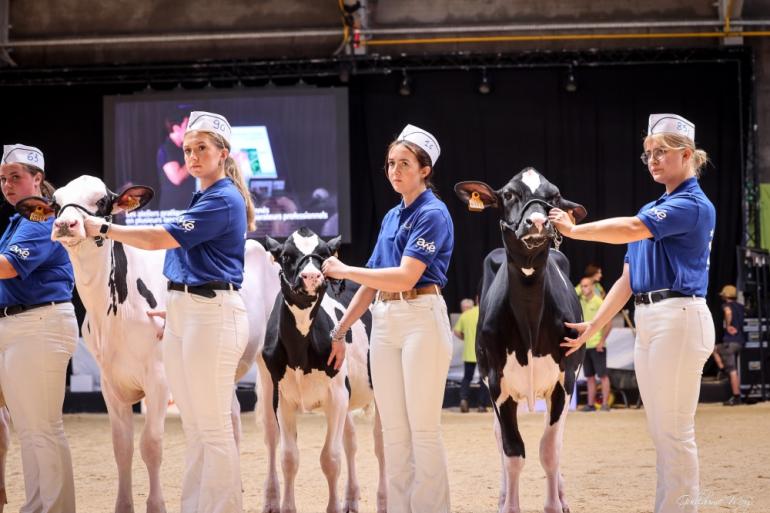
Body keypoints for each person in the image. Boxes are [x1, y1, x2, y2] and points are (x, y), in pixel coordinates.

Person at [84, 111, 255, 513]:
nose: (193, 156)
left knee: (211, 429)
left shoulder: (223, 197)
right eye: (188, 149)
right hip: (190, 312)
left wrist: (103, 227)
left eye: (202, 149)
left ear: (222, 154)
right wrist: (176, 308)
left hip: (212, 314)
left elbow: (160, 237)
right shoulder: (205, 195)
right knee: (197, 428)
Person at [549, 113, 715, 513]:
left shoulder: (690, 204)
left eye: (661, 152)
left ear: (687, 155)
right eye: (648, 154)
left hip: (679, 315)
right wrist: (594, 325)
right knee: (662, 432)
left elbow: (627, 229)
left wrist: (574, 231)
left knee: (674, 433)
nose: (653, 160)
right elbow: (627, 279)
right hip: (654, 317)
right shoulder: (655, 208)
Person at [321, 124, 453, 513]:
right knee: (392, 431)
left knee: (423, 430)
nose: (395, 170)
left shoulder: (433, 213)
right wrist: (341, 330)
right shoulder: (393, 217)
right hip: (386, 319)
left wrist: (345, 270)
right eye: (391, 163)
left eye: (405, 163)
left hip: (421, 316)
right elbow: (373, 282)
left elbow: (406, 276)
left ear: (425, 169)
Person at [0, 144, 77, 513]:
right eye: (2, 178)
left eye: (15, 176)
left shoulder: (42, 217)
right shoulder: (19, 220)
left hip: (39, 323)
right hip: (22, 324)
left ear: (38, 179)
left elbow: (8, 268)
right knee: (31, 432)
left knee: (42, 429)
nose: (7, 184)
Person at [576, 276, 612, 411]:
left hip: (597, 345)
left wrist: (602, 341)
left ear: (592, 287)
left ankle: (605, 404)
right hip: (586, 344)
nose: (584, 288)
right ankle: (590, 405)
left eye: (586, 286)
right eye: (582, 286)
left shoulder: (599, 301)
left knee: (602, 375)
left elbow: (609, 323)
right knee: (589, 377)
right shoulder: (581, 302)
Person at [453, 296, 489, 413]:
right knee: (483, 380)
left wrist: (465, 338)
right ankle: (482, 405)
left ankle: (464, 399)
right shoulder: (486, 313)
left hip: (469, 352)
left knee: (467, 378)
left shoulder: (466, 315)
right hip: (483, 352)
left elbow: (457, 331)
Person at [157, 113, 196, 210]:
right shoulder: (167, 149)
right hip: (173, 212)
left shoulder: (183, 148)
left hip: (187, 209)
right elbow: (177, 178)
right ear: (176, 128)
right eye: (187, 126)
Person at [713, 284, 744, 406]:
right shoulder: (741, 307)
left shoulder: (727, 306)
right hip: (740, 341)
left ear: (726, 296)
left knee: (732, 370)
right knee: (735, 369)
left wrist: (728, 324)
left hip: (730, 342)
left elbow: (728, 312)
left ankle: (736, 396)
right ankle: (722, 370)